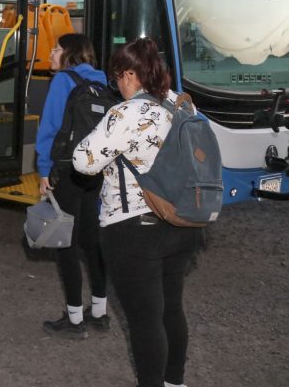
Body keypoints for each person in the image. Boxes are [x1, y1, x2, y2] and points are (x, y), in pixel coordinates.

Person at [73, 37, 201, 387]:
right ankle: (175, 382)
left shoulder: (126, 114)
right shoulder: (182, 104)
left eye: (117, 78)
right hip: (182, 220)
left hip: (134, 229)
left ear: (130, 74)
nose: (117, 86)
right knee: (171, 307)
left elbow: (83, 161)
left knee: (145, 320)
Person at [34, 34, 109, 338]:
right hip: (94, 171)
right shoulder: (102, 81)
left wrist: (43, 169)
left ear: (69, 54)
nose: (51, 53)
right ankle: (100, 312)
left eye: (56, 49)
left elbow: (50, 128)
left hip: (67, 170)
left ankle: (75, 320)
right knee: (91, 240)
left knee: (64, 242)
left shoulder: (63, 81)